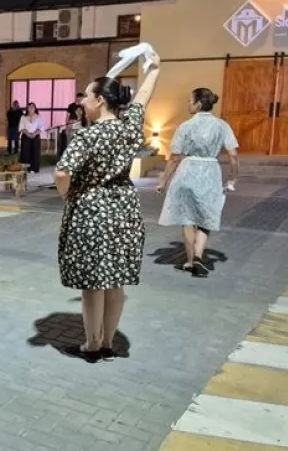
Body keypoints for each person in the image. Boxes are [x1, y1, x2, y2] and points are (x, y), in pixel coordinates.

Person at [54, 45, 161, 362]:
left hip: (91, 208)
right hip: (124, 208)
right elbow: (143, 98)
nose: (82, 101)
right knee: (115, 281)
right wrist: (155, 69)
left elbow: (62, 172)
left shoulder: (88, 136)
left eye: (87, 96)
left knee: (92, 282)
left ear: (100, 100)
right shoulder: (130, 127)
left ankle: (91, 344)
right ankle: (108, 342)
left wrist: (66, 193)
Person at [157, 88, 239, 277]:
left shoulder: (186, 126)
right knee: (206, 216)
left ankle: (190, 261)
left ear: (198, 104)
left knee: (187, 218)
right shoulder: (222, 126)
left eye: (190, 101)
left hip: (187, 171)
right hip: (210, 172)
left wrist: (163, 180)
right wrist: (233, 177)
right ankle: (199, 256)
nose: (188, 104)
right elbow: (233, 154)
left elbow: (174, 157)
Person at [18, 103, 44, 173]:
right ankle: (25, 169)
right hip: (26, 136)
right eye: (29, 107)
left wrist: (34, 133)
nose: (31, 108)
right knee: (25, 153)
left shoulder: (38, 117)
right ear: (27, 108)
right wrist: (28, 134)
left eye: (33, 107)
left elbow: (41, 127)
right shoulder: (23, 117)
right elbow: (21, 127)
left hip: (35, 136)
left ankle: (34, 168)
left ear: (35, 108)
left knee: (35, 153)